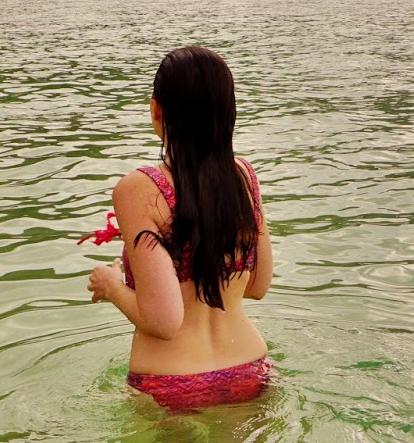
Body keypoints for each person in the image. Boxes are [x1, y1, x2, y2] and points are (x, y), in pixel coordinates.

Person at [86, 46, 274, 411]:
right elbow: (258, 285)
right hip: (252, 371)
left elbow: (164, 320)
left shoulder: (139, 188)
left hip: (171, 384)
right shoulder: (244, 176)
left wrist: (110, 285)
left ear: (156, 108)